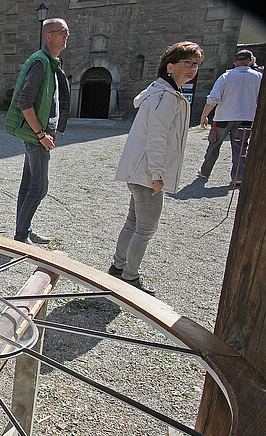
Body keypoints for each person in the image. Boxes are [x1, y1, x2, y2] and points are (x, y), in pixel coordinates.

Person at [109, 42, 203, 296]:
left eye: (195, 64)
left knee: (134, 222)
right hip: (147, 173)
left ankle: (118, 268)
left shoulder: (161, 93)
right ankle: (129, 276)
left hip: (142, 171)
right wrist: (158, 174)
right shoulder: (165, 97)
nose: (192, 68)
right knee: (146, 227)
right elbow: (157, 139)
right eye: (187, 63)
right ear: (170, 67)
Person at [4, 18, 70, 245]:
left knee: (28, 185)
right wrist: (41, 134)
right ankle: (21, 236)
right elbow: (25, 100)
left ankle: (24, 230)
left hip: (38, 135)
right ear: (48, 36)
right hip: (37, 136)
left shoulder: (48, 62)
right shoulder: (41, 62)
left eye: (67, 31)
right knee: (39, 188)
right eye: (63, 31)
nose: (67, 35)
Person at [198, 49, 262, 186]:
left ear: (234, 62)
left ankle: (205, 172)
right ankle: (238, 176)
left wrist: (204, 115)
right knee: (240, 147)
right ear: (250, 61)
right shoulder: (258, 77)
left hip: (223, 117)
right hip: (246, 117)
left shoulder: (226, 76)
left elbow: (214, 98)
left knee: (214, 145)